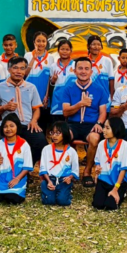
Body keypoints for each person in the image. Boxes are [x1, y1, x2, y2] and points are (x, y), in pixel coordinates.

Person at [58, 57, 109, 188]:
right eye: (80, 68)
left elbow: (103, 112)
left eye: (87, 69)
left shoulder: (99, 89)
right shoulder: (68, 88)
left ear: (91, 72)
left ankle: (87, 172)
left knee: (94, 138)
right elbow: (65, 112)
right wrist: (80, 104)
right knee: (62, 136)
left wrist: (99, 123)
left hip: (91, 124)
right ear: (74, 71)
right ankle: (66, 171)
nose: (83, 71)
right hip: (72, 124)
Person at [0, 56, 46, 164]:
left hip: (27, 124)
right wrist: (4, 107)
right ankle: (7, 169)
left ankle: (26, 168)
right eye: (15, 68)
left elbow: (36, 109)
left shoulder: (31, 87)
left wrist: (34, 121)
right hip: (7, 126)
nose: (19, 71)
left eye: (22, 68)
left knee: (41, 142)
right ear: (9, 69)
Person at [0, 114, 33, 205]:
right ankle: (1, 191)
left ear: (17, 127)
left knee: (13, 199)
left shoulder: (24, 144)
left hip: (17, 178)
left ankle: (13, 190)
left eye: (12, 126)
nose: (8, 129)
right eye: (5, 127)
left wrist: (17, 179)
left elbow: (27, 167)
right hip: (1, 178)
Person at [92, 117, 127, 210]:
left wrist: (115, 189)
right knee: (97, 204)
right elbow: (97, 161)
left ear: (116, 129)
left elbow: (124, 169)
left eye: (107, 128)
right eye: (104, 127)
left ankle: (122, 192)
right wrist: (97, 169)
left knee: (111, 206)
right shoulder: (101, 143)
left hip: (118, 182)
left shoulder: (124, 145)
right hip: (104, 180)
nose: (103, 130)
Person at [39, 120, 79, 207]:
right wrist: (49, 181)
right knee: (49, 201)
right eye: (52, 133)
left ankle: (65, 193)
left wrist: (70, 177)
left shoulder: (71, 151)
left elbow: (75, 170)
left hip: (64, 180)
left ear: (65, 134)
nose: (54, 136)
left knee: (63, 202)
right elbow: (43, 168)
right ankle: (48, 189)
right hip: (49, 178)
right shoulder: (46, 149)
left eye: (58, 133)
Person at [24, 31, 55, 127]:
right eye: (38, 41)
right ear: (34, 42)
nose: (41, 44)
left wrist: (47, 96)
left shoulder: (51, 58)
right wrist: (34, 58)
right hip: (28, 93)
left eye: (43, 41)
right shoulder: (28, 55)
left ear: (46, 43)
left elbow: (49, 80)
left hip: (43, 96)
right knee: (28, 122)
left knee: (43, 124)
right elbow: (24, 74)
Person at [49, 39, 75, 122]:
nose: (64, 51)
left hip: (72, 101)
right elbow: (51, 84)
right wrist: (53, 80)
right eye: (62, 49)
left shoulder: (75, 65)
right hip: (57, 101)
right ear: (58, 50)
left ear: (71, 51)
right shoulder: (53, 66)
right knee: (57, 126)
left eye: (67, 49)